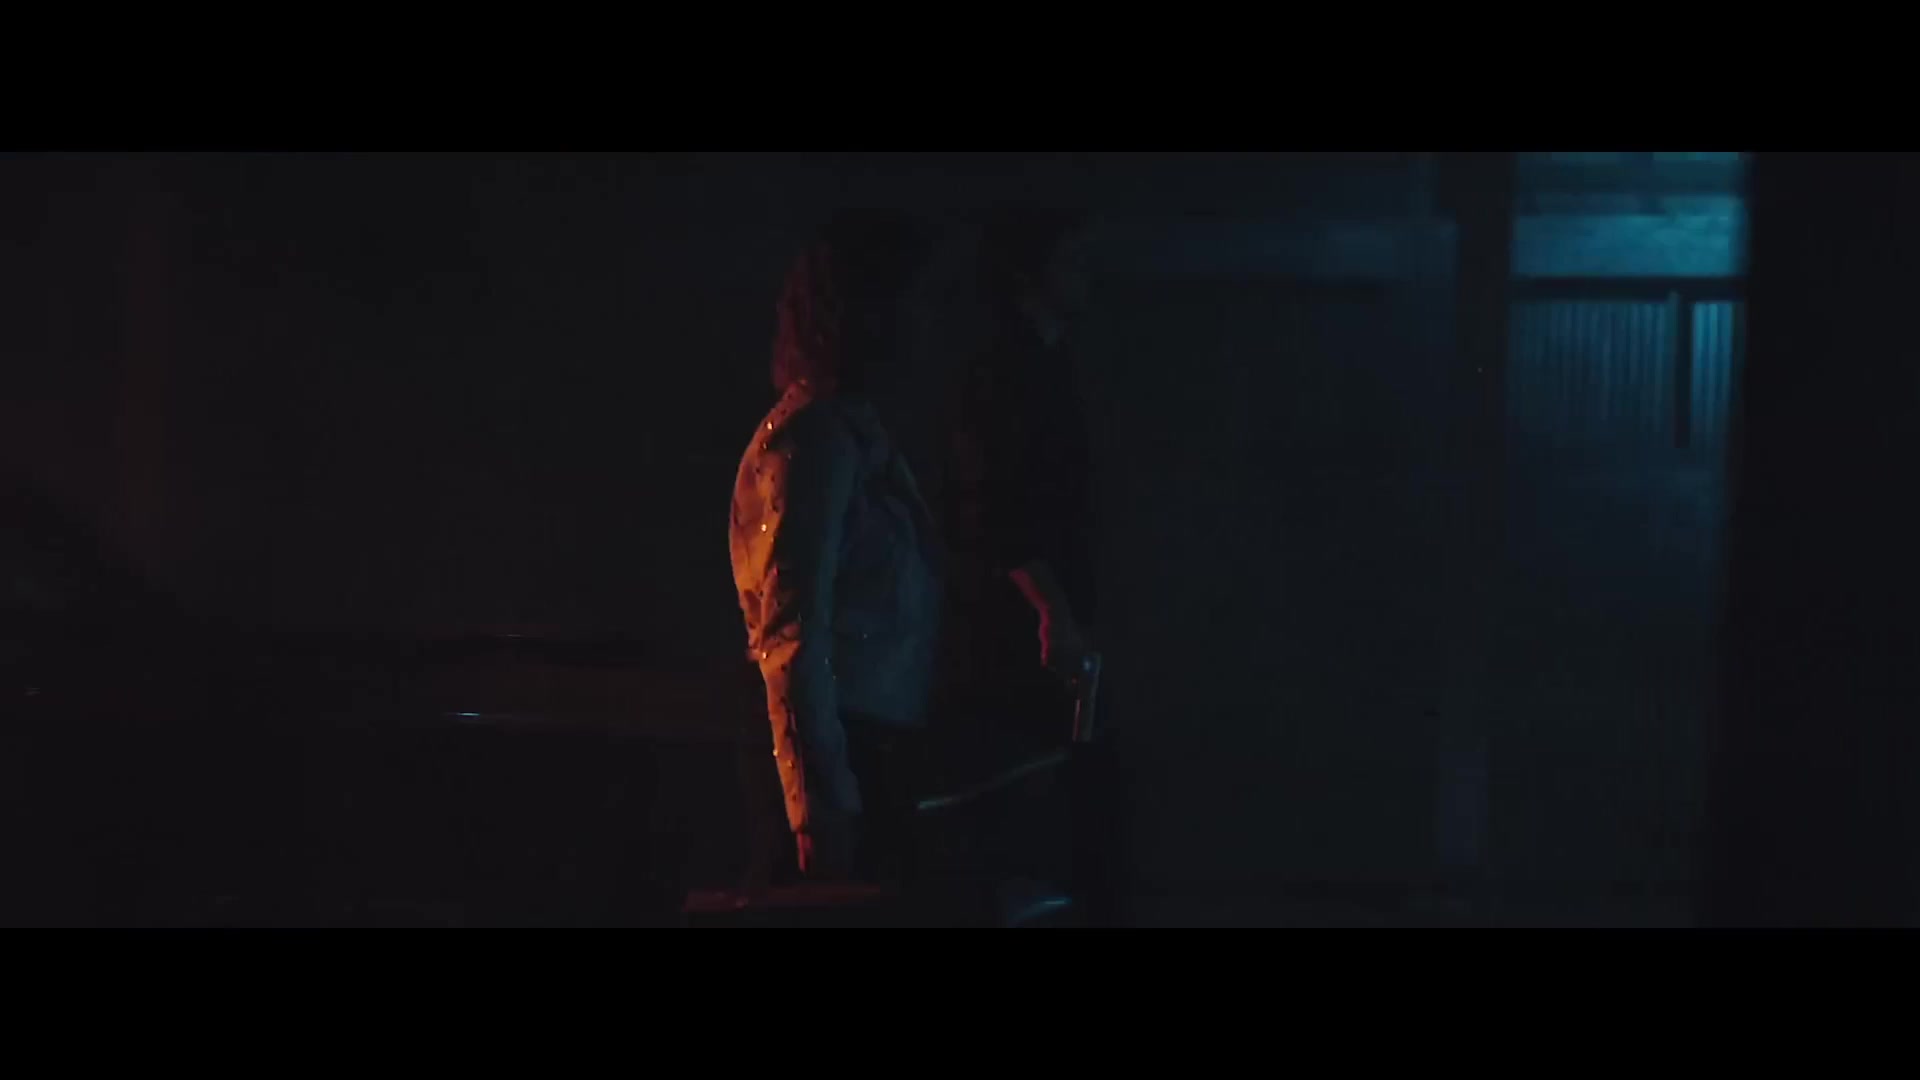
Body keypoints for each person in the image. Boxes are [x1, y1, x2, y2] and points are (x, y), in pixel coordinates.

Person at [728, 212, 941, 884]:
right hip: (844, 758)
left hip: (859, 751)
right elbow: (793, 633)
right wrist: (819, 806)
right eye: (913, 300)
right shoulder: (816, 440)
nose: (927, 323)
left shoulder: (846, 435)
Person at [945, 205, 1114, 920]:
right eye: (1070, 260)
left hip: (1043, 627)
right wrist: (1053, 612)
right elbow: (996, 510)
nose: (1087, 274)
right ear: (1027, 273)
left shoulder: (1044, 365)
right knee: (1029, 821)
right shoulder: (1009, 373)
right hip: (1018, 640)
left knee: (1048, 820)